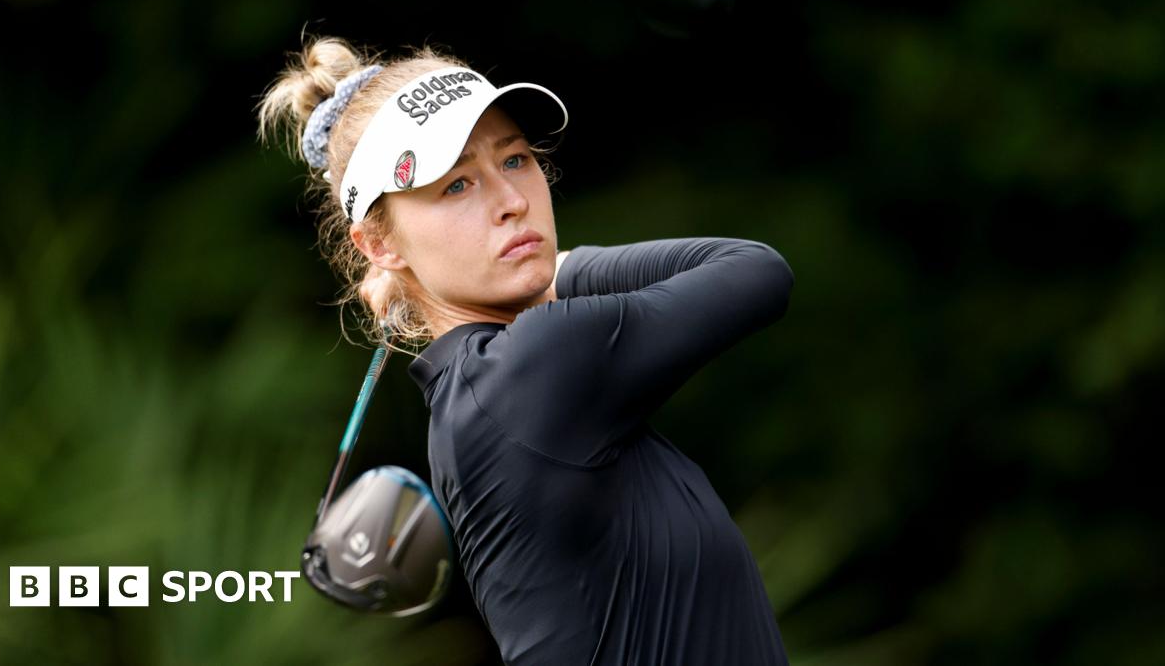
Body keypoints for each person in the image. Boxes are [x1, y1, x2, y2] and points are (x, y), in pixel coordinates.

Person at [256, 35, 795, 666]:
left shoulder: (474, 395)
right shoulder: (535, 367)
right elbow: (754, 271)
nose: (513, 202)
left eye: (513, 160)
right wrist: (557, 269)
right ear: (378, 245)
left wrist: (539, 274)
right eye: (457, 185)